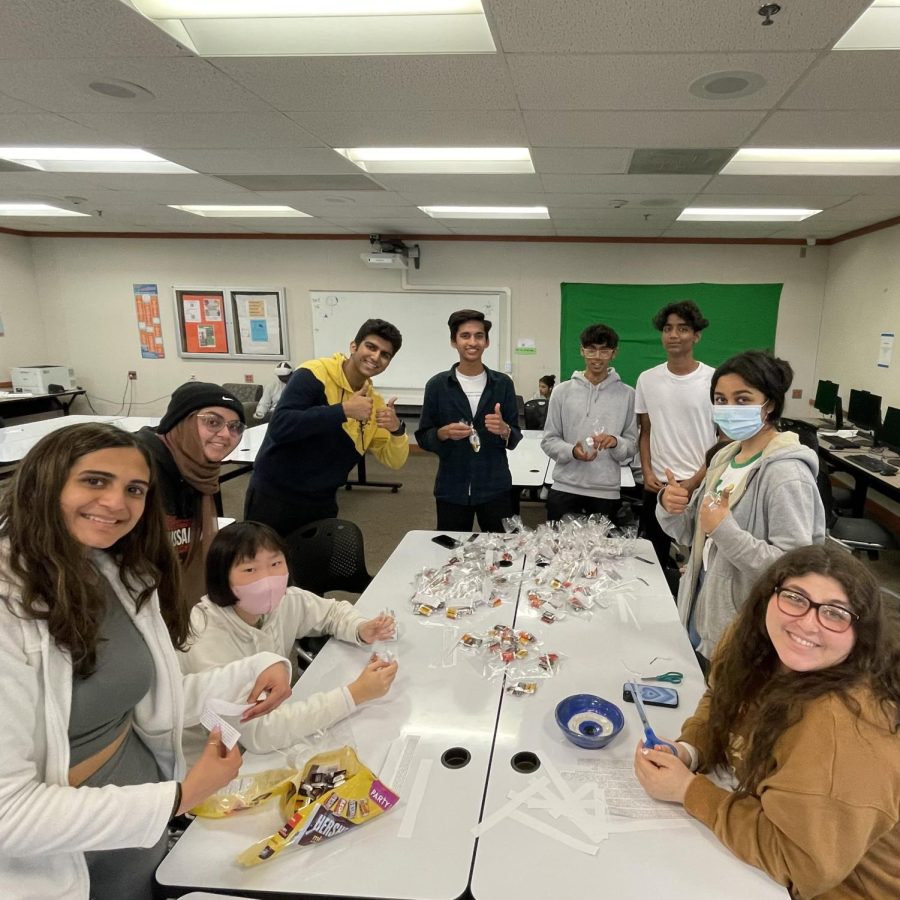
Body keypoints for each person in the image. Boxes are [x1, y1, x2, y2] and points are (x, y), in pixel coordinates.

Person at [0, 423, 291, 900]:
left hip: (138, 831)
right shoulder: (8, 608)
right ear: (45, 482)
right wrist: (180, 796)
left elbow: (146, 695)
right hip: (59, 861)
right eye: (95, 481)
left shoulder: (115, 572)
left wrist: (257, 664)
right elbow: (8, 816)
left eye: (134, 489)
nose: (117, 503)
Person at [634, 544, 900, 899]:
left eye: (835, 614)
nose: (807, 622)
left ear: (859, 632)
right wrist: (690, 751)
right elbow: (719, 701)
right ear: (769, 596)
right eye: (795, 597)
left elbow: (798, 862)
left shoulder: (840, 727)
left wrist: (688, 790)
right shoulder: (756, 641)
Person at [657, 350, 826, 671]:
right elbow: (689, 532)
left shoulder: (785, 474)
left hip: (748, 623)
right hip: (705, 598)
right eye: (720, 400)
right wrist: (671, 505)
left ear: (770, 405)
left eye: (743, 399)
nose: (728, 409)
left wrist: (724, 530)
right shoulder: (724, 458)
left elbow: (795, 572)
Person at [179, 521, 399, 762]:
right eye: (250, 570)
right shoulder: (205, 635)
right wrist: (354, 694)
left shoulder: (284, 601)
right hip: (213, 760)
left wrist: (360, 628)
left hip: (273, 731)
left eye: (275, 564)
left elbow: (331, 613)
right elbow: (260, 734)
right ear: (222, 576)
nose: (267, 580)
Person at [245, 319, 409, 537]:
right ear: (354, 346)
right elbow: (281, 426)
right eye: (371, 347)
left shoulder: (374, 402)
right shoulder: (314, 374)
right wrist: (342, 411)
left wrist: (396, 430)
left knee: (314, 567)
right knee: (267, 567)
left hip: (322, 500)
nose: (376, 357)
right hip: (275, 495)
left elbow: (394, 461)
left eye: (385, 354)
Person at [135, 381, 246, 607]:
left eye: (235, 426)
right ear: (181, 421)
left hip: (172, 598)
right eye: (213, 422)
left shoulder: (199, 471)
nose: (225, 434)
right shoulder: (137, 469)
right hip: (138, 601)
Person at [416, 309, 522, 532]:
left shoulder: (502, 384)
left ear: (487, 341)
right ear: (454, 341)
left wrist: (504, 430)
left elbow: (515, 437)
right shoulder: (437, 386)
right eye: (465, 336)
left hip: (495, 486)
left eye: (479, 336)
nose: (472, 342)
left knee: (502, 553)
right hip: (451, 487)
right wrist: (442, 433)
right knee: (450, 552)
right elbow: (424, 437)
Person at [635, 300, 716, 570]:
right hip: (658, 486)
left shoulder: (714, 380)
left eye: (682, 329)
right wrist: (646, 472)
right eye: (668, 328)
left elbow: (724, 441)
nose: (673, 335)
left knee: (701, 561)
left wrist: (694, 481)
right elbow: (645, 431)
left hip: (701, 484)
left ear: (696, 335)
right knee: (650, 560)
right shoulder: (647, 379)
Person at [541, 324, 637, 522]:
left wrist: (615, 442)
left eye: (604, 350)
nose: (597, 356)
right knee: (559, 549)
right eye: (591, 349)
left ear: (614, 353)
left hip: (606, 491)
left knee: (601, 551)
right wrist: (572, 451)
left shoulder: (628, 395)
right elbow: (549, 440)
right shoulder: (561, 391)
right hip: (564, 486)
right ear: (582, 351)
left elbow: (632, 445)